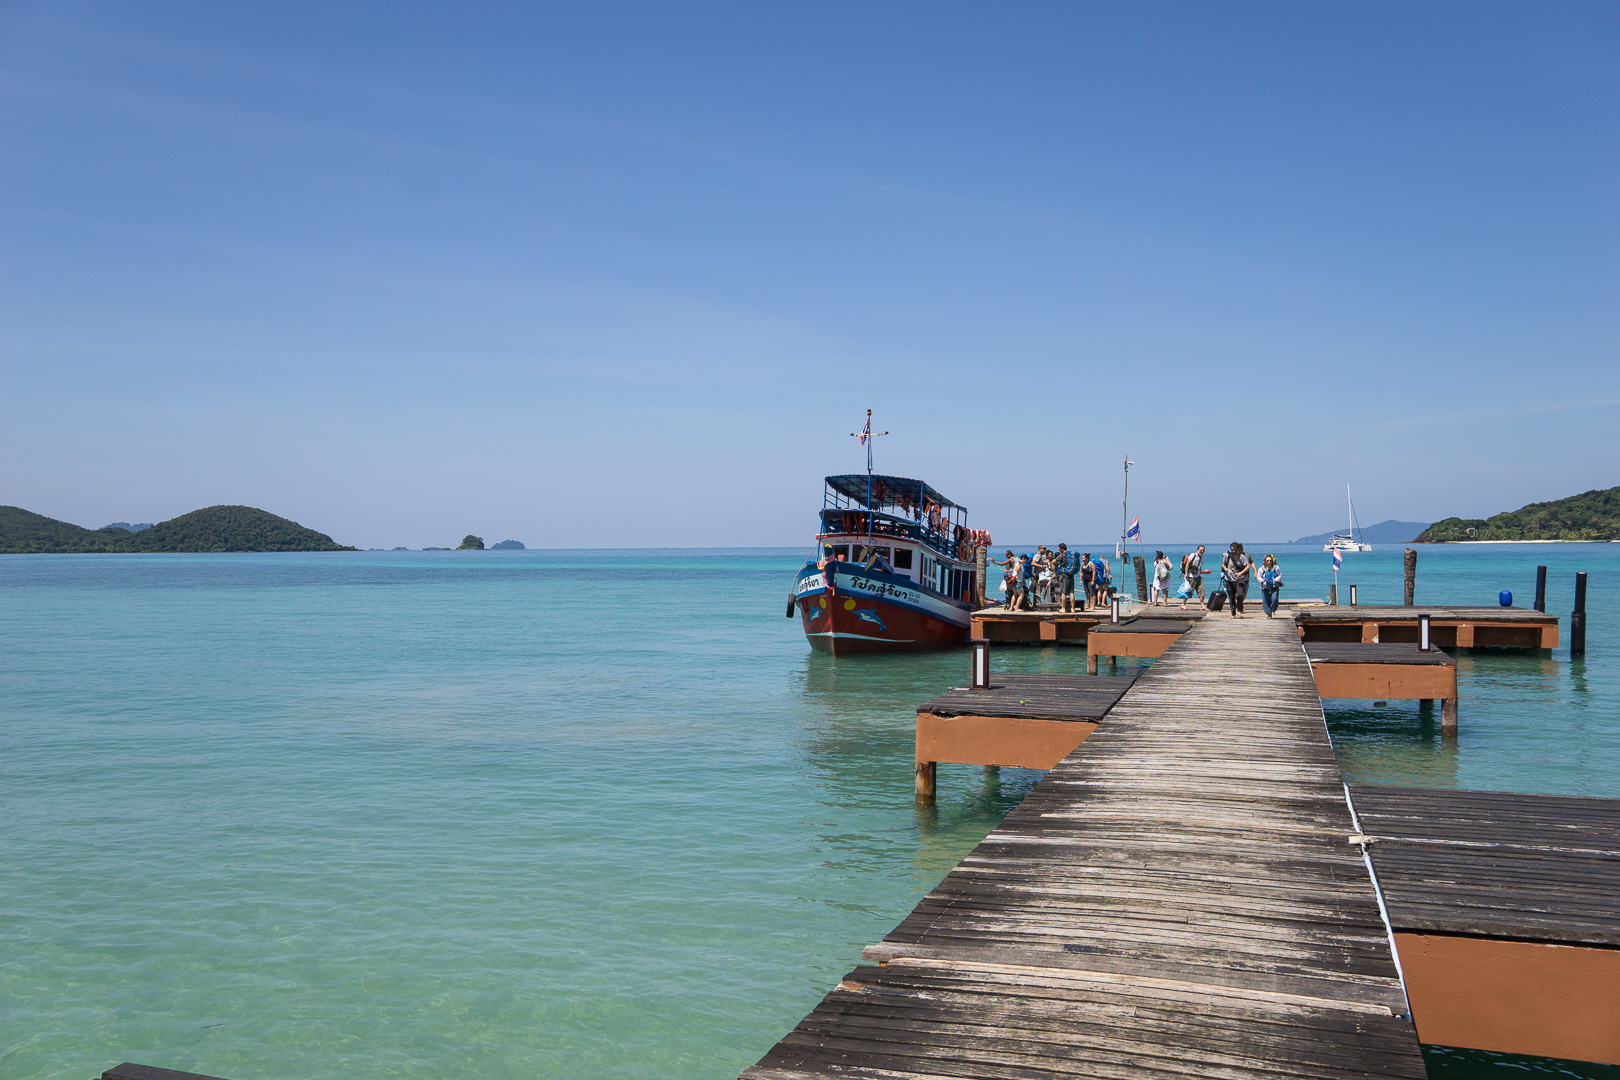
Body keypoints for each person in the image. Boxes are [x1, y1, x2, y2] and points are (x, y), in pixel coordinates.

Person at [1221, 542, 1253, 617]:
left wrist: (1241, 573)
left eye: (1235, 550)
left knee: (1239, 594)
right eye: (1232, 550)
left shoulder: (1242, 557)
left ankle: (1240, 610)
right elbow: (1223, 564)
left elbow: (1248, 566)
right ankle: (1233, 613)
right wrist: (1226, 569)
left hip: (1239, 579)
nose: (1233, 551)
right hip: (1229, 579)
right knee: (1231, 596)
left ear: (1238, 550)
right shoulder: (1227, 556)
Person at [1179, 545, 1207, 611]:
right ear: (1197, 550)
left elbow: (1200, 566)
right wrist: (1186, 574)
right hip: (1191, 576)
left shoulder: (1202, 558)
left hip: (1198, 576)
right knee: (1189, 592)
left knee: (1201, 591)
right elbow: (1187, 564)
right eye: (1201, 550)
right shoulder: (1192, 555)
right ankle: (1183, 604)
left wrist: (1201, 572)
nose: (1202, 552)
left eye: (1203, 550)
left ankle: (1202, 605)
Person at [1056, 543, 1077, 613]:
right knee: (1071, 592)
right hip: (1071, 574)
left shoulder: (1062, 555)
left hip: (1064, 575)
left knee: (1063, 592)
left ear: (1062, 548)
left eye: (1059, 548)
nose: (1059, 549)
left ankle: (1063, 608)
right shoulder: (1070, 555)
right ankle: (1073, 608)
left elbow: (1054, 561)